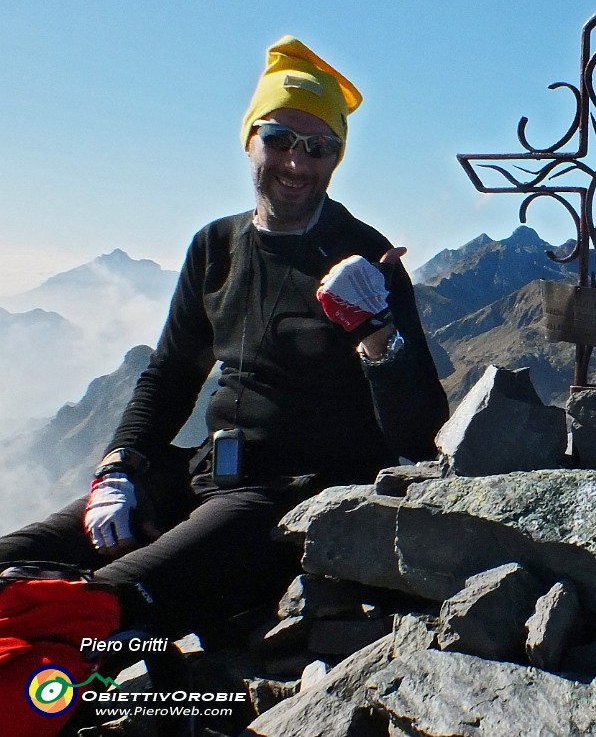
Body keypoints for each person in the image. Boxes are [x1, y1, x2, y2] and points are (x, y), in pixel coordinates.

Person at [0, 36, 449, 640]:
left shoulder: (366, 256)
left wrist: (376, 331)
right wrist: (119, 467)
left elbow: (420, 433)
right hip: (205, 470)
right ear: (250, 141)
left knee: (95, 604)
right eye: (280, 139)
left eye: (320, 147)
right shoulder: (215, 246)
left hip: (289, 497)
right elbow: (169, 374)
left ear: (336, 158)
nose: (297, 161)